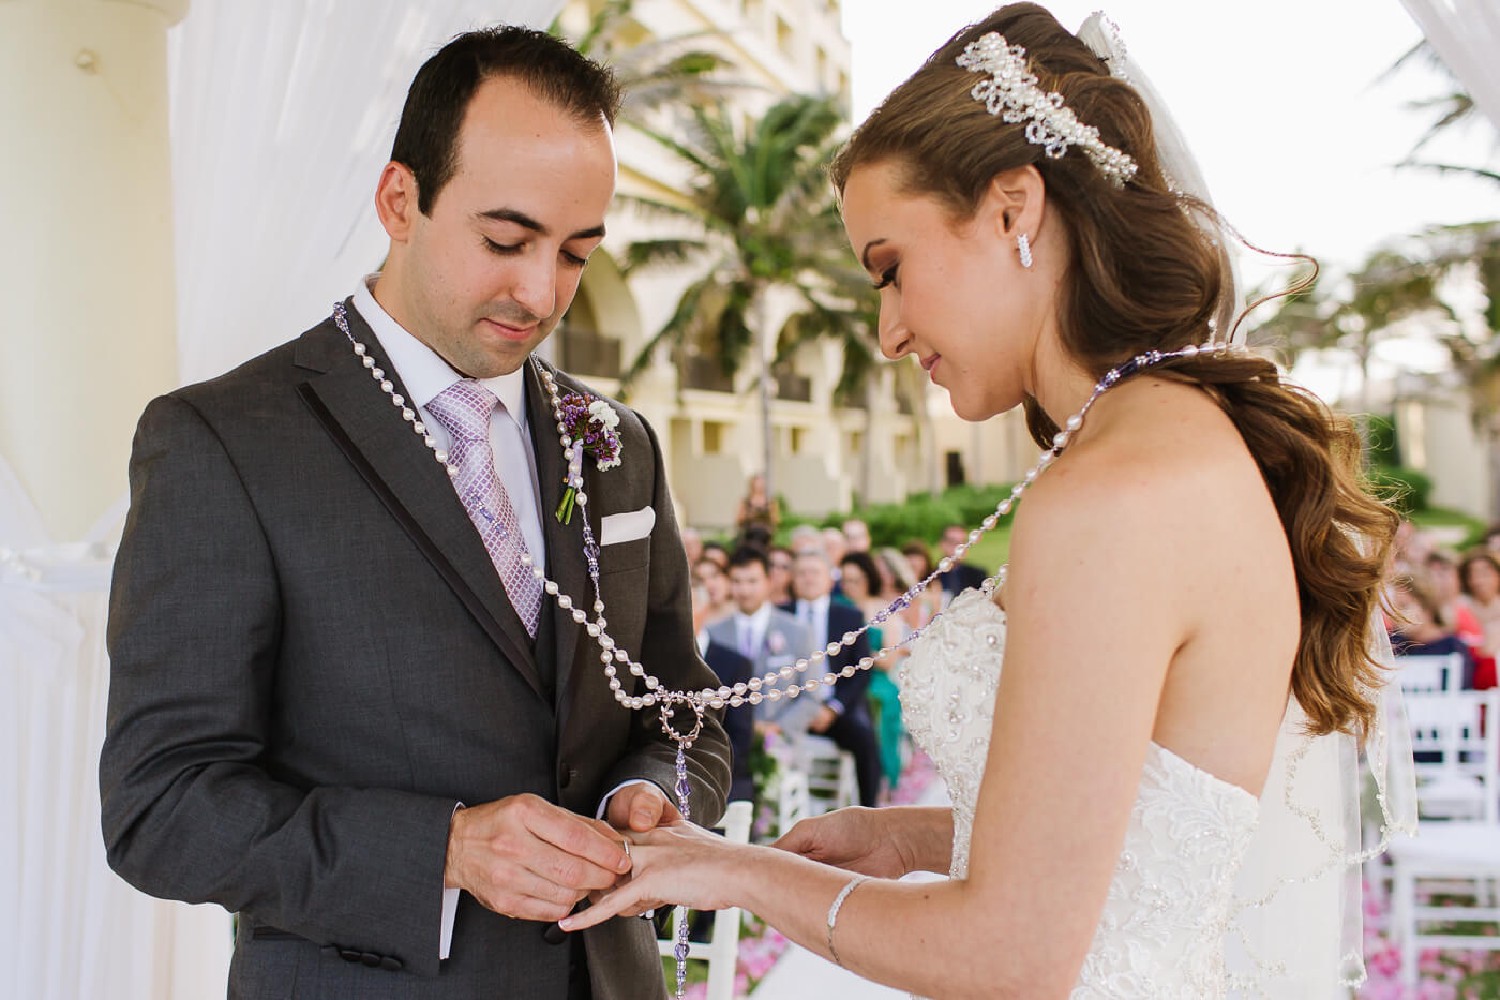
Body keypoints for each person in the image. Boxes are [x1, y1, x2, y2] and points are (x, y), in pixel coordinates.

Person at [559, 6, 1406, 996]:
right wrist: (904, 834)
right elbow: (1142, 833)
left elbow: (1010, 955)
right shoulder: (1174, 439)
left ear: (1013, 210)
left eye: (891, 270)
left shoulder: (1110, 496)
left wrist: (736, 869)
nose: (886, 329)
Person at [98, 27, 730, 1000]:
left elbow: (680, 706)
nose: (541, 291)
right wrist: (447, 849)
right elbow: (162, 808)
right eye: (505, 240)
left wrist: (644, 796)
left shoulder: (621, 443)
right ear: (401, 201)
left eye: (576, 252)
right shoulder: (222, 442)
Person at [784, 550, 881, 806]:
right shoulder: (781, 615)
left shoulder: (849, 616)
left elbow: (862, 670)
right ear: (793, 580)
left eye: (814, 572)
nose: (808, 579)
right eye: (801, 573)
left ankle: (869, 809)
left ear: (829, 579)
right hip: (788, 708)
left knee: (865, 739)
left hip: (836, 707)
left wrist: (833, 708)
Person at [706, 548, 818, 743]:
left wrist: (776, 729)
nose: (745, 590)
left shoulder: (798, 631)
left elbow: (811, 695)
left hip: (783, 745)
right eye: (737, 582)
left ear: (768, 581)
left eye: (752, 581)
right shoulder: (713, 633)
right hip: (725, 744)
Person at [839, 551, 906, 796]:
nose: (849, 586)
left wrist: (859, 659)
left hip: (875, 679)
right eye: (845, 580)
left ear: (868, 579)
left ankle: (881, 775)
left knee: (881, 702)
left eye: (855, 580)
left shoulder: (883, 610)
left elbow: (889, 659)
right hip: (843, 680)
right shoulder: (837, 608)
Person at [935, 522, 987, 600]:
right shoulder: (931, 575)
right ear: (942, 544)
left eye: (962, 543)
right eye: (953, 542)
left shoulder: (977, 575)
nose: (958, 548)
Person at [734, 473, 779, 538]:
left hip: (765, 534)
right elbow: (739, 519)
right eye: (758, 483)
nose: (760, 485)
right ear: (752, 484)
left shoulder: (770, 501)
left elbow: (775, 520)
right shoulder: (746, 501)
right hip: (749, 534)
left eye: (762, 483)